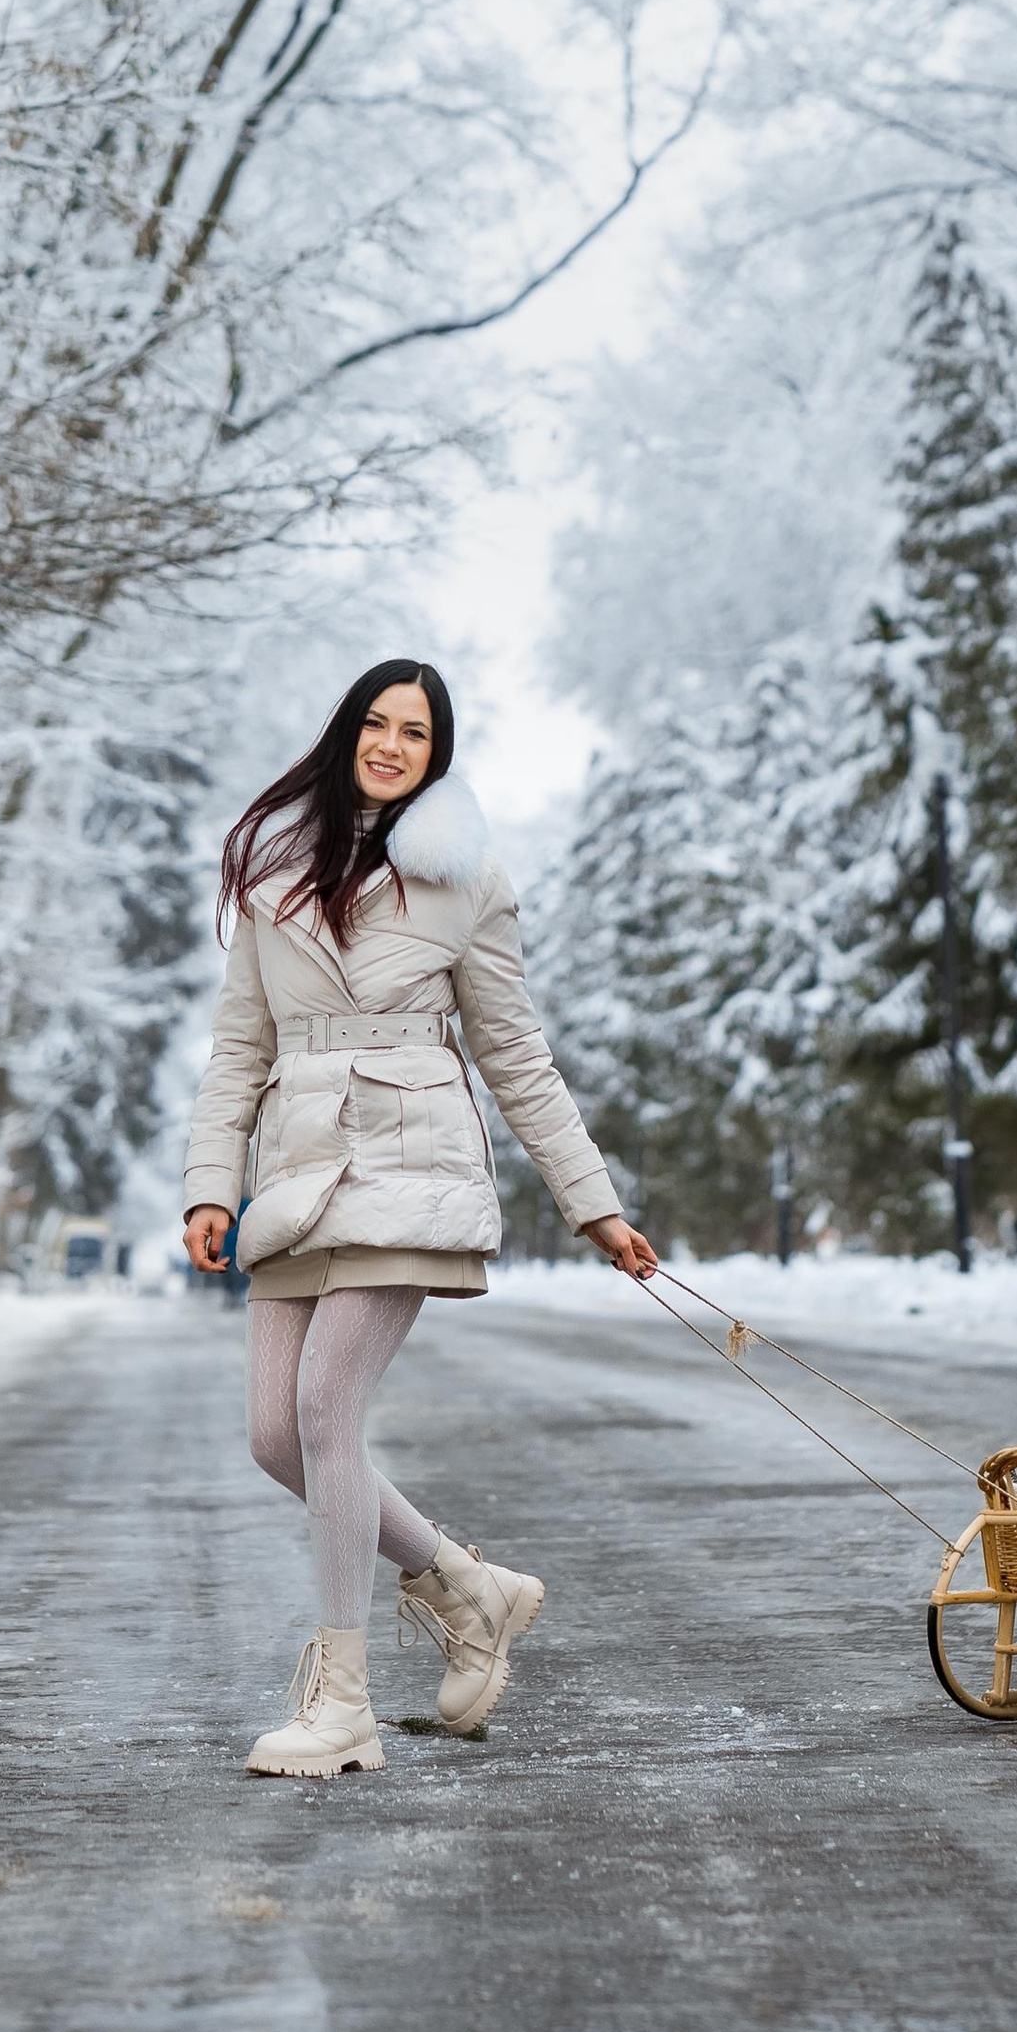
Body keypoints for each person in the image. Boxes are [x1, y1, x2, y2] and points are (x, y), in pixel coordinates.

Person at [182, 656, 657, 1777]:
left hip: (411, 1164)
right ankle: (468, 1586)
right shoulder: (272, 871)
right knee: (271, 1434)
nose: (393, 745)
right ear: (349, 731)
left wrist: (593, 1205)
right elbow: (240, 1047)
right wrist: (211, 1183)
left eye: (418, 733)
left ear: (438, 755)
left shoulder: (467, 880)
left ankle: (340, 1700)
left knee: (324, 1409)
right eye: (379, 724)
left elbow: (515, 1055)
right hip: (297, 1175)